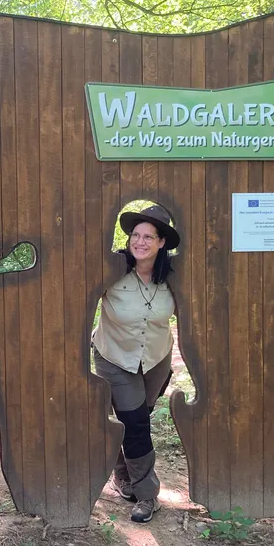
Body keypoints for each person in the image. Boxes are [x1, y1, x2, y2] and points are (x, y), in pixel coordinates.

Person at [92, 204, 180, 523]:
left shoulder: (173, 277)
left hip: (156, 359)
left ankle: (123, 476)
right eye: (135, 235)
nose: (139, 241)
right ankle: (147, 495)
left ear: (161, 243)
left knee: (134, 419)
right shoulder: (111, 269)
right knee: (135, 424)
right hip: (114, 357)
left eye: (148, 236)